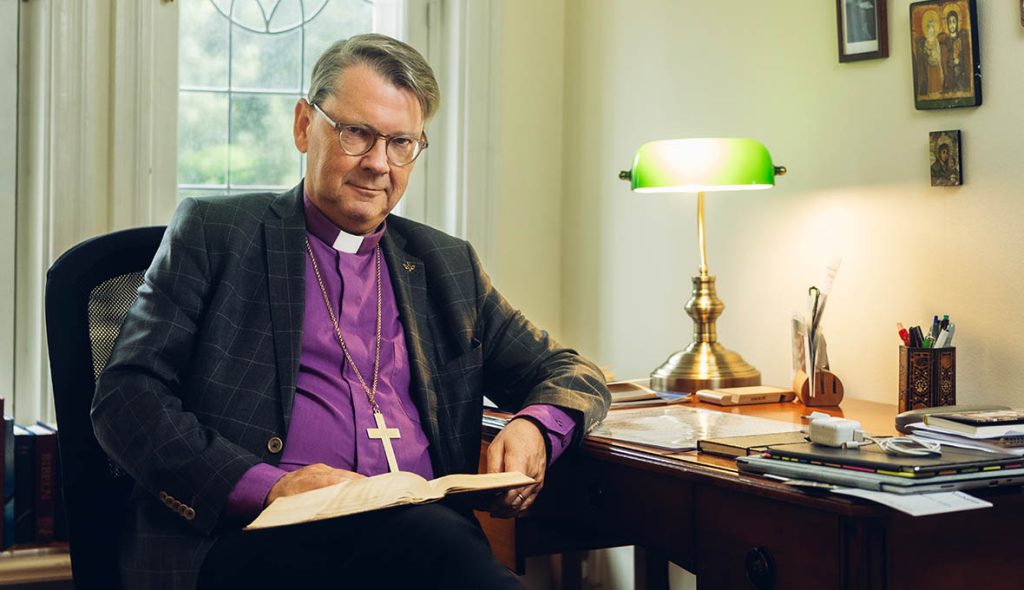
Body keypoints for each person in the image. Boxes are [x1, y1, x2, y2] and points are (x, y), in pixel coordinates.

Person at [92, 33, 610, 589]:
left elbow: (570, 372)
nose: (378, 164)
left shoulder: (446, 265)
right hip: (249, 540)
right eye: (357, 133)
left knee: (429, 539)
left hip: (423, 540)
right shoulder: (216, 234)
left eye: (401, 143)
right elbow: (126, 397)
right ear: (303, 126)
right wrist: (267, 485)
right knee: (435, 547)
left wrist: (537, 428)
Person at [940, 9, 969, 94]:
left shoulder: (962, 39)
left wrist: (959, 60)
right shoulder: (945, 42)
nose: (952, 25)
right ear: (947, 24)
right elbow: (944, 62)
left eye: (954, 22)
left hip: (960, 77)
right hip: (950, 78)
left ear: (957, 23)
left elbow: (966, 58)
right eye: (950, 22)